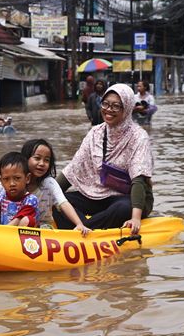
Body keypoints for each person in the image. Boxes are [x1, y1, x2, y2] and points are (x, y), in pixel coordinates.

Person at [52, 84, 154, 234]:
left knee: (123, 209)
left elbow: (138, 179)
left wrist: (136, 218)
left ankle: (84, 229)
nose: (108, 110)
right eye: (105, 104)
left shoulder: (139, 137)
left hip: (124, 197)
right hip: (96, 194)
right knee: (59, 202)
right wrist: (46, 195)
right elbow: (72, 169)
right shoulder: (95, 133)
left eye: (116, 106)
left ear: (127, 108)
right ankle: (85, 228)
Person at [0, 139, 91, 234]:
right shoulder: (9, 181)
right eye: (37, 158)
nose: (42, 163)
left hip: (39, 225)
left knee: (27, 221)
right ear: (25, 159)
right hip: (7, 223)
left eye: (47, 160)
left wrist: (79, 224)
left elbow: (63, 203)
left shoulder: (49, 183)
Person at [0, 152, 39, 228]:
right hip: (4, 230)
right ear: (1, 182)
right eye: (6, 179)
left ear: (27, 178)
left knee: (26, 220)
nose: (12, 184)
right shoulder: (2, 196)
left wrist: (3, 231)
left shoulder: (31, 199)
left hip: (19, 231)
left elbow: (17, 220)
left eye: (17, 178)